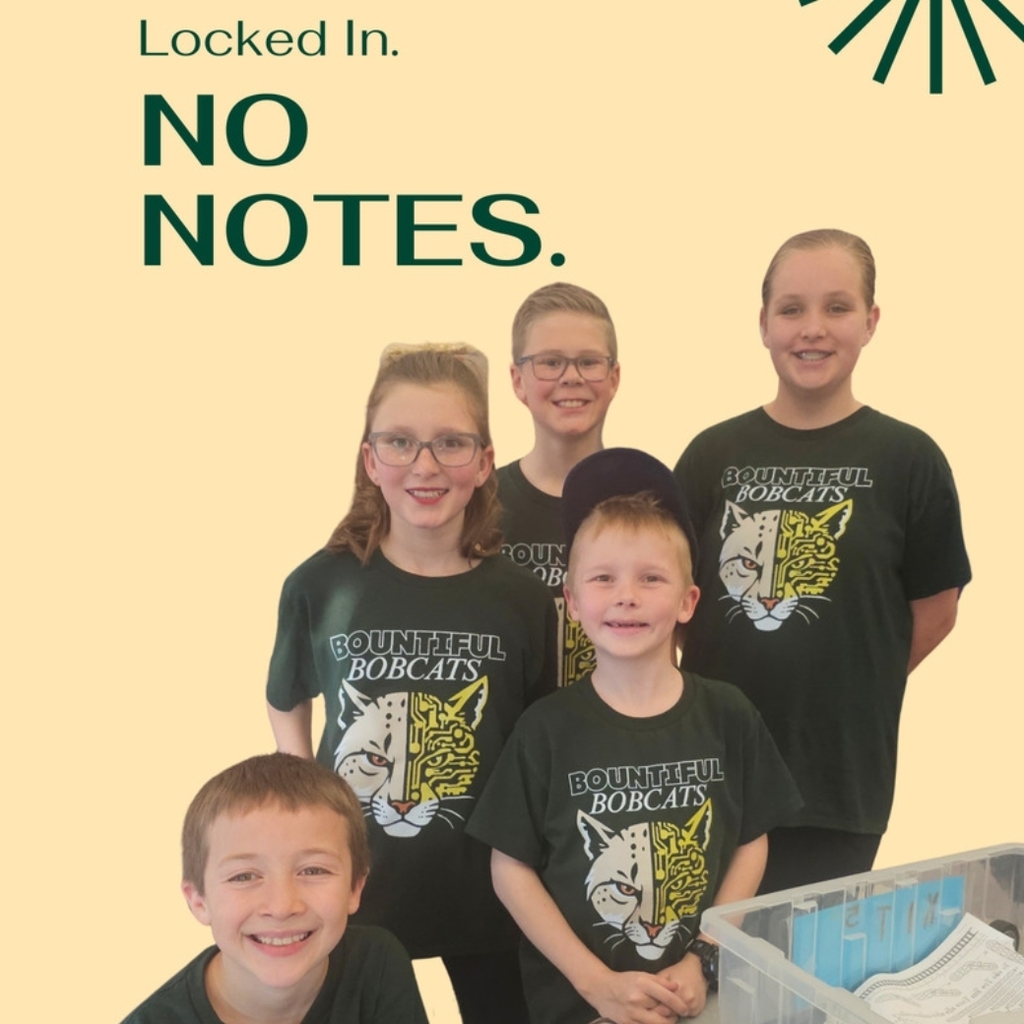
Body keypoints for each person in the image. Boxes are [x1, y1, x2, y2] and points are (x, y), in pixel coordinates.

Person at [266, 344, 558, 1024]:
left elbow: (538, 736)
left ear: (485, 461)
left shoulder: (520, 598)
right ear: (371, 459)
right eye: (400, 442)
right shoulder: (318, 584)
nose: (424, 466)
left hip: (491, 892)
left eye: (450, 443)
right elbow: (286, 697)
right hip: (360, 891)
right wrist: (305, 807)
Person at [673, 229, 972, 894]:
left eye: (837, 307)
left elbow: (936, 609)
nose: (813, 329)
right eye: (791, 309)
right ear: (762, 324)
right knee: (701, 974)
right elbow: (673, 598)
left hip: (841, 776)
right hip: (712, 765)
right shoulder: (710, 456)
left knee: (803, 980)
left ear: (871, 321)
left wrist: (848, 687)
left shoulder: (909, 458)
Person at [468, 449, 801, 1024]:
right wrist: (594, 983)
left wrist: (705, 956)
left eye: (651, 578)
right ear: (572, 603)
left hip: (700, 998)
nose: (626, 595)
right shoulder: (545, 729)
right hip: (581, 1006)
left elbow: (752, 840)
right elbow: (510, 868)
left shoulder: (728, 714)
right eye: (603, 579)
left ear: (687, 600)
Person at [119, 753, 429, 1024]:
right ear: (198, 901)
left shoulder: (377, 963)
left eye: (313, 870)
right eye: (243, 877)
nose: (282, 906)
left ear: (354, 889)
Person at [498, 282, 621, 687]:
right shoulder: (475, 505)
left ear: (614, 377)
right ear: (518, 380)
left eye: (589, 362)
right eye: (550, 363)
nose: (571, 378)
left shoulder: (651, 499)